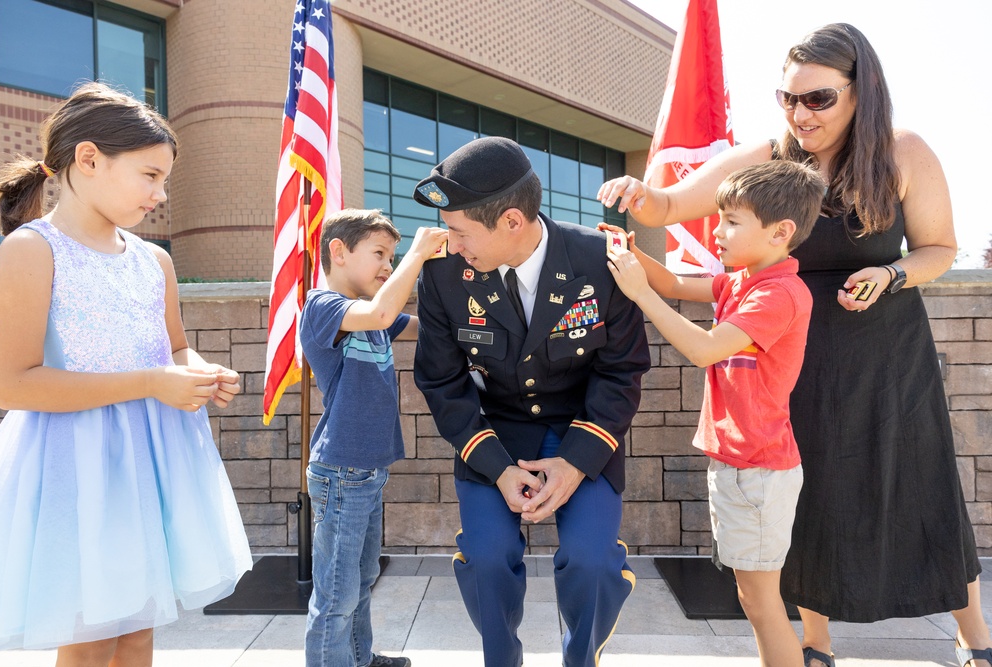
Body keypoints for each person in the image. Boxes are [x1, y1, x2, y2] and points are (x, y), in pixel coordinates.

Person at [598, 22, 990, 667]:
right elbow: (668, 205)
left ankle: (974, 635)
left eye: (818, 99)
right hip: (792, 351)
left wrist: (891, 274)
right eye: (788, 97)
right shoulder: (769, 157)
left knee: (920, 486)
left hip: (886, 352)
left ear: (861, 91)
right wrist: (640, 195)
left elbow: (939, 249)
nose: (800, 112)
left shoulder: (902, 151)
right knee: (807, 493)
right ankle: (814, 643)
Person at [0, 82, 252, 664]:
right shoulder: (32, 251)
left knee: (137, 630)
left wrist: (199, 372)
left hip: (150, 460)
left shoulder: (153, 260)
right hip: (74, 465)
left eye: (164, 180)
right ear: (88, 159)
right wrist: (152, 383)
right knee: (89, 636)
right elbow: (11, 384)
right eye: (149, 175)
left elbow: (175, 348)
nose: (160, 194)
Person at [411, 136, 650, 667]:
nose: (450, 243)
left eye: (459, 231)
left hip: (583, 432)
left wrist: (573, 464)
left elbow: (622, 370)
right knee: (488, 558)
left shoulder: (601, 260)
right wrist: (495, 468)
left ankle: (580, 659)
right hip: (497, 432)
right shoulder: (443, 274)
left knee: (590, 564)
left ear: (512, 221)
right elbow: (441, 380)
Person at [607, 160, 825, 667]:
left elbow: (705, 349)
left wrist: (638, 292)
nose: (717, 230)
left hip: (757, 470)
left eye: (731, 220)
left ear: (780, 232)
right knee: (754, 599)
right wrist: (632, 254)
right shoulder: (743, 282)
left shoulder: (777, 294)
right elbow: (678, 286)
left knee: (762, 602)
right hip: (742, 465)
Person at [299, 208, 446, 667]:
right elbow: (383, 310)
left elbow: (418, 328)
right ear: (338, 252)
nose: (388, 265)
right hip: (342, 469)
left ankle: (360, 659)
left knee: (360, 577)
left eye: (394, 255)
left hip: (365, 470)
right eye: (380, 254)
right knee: (336, 591)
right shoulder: (324, 307)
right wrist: (419, 254)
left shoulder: (370, 315)